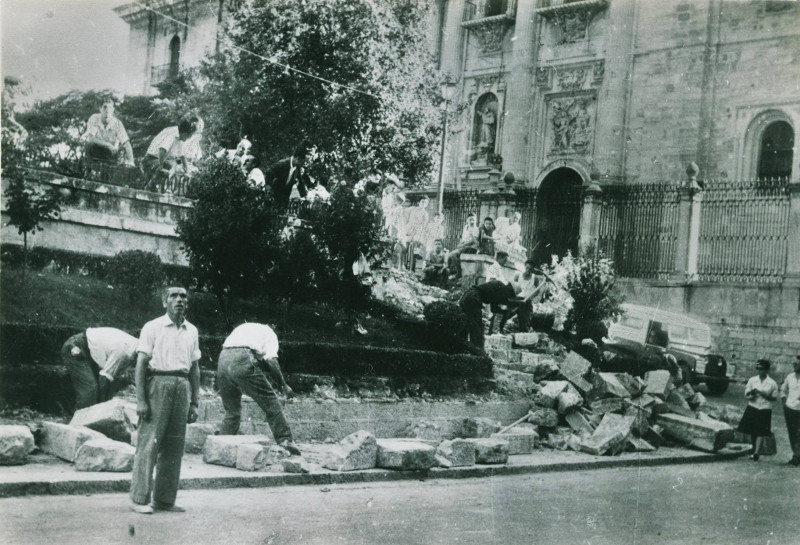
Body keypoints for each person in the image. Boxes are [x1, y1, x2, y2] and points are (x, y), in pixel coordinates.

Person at [130, 285, 200, 514]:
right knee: (149, 443)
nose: (179, 300)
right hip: (158, 384)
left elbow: (195, 367)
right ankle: (139, 499)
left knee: (174, 446)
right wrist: (141, 400)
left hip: (183, 386)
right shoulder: (153, 327)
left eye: (183, 296)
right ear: (164, 302)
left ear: (187, 302)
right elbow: (141, 363)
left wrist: (194, 402)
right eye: (174, 296)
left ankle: (164, 499)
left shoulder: (192, 331)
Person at [216, 323, 301, 455]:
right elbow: (271, 361)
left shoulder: (246, 327)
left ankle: (219, 448)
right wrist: (283, 385)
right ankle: (285, 440)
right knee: (271, 402)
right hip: (242, 358)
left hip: (223, 359)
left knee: (232, 411)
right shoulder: (270, 334)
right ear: (274, 327)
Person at [60, 328, 138, 410]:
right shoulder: (124, 352)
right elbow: (104, 378)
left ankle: (89, 416)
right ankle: (81, 420)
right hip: (76, 347)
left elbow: (112, 379)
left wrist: (107, 402)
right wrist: (103, 407)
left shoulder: (136, 346)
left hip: (91, 352)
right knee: (90, 390)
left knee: (101, 394)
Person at [142, 117, 199, 192]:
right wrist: (161, 166)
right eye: (189, 136)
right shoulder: (172, 135)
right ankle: (150, 188)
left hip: (155, 159)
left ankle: (158, 188)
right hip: (150, 160)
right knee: (168, 166)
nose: (188, 139)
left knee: (175, 166)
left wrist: (186, 171)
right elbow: (162, 149)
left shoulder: (178, 136)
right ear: (185, 133)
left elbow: (181, 156)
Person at [737, 359, 779, 461]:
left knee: (760, 431)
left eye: (761, 369)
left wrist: (763, 394)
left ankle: (756, 452)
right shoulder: (752, 380)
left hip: (764, 408)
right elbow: (746, 393)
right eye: (758, 368)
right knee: (752, 430)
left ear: (767, 370)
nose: (759, 371)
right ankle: (753, 448)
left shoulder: (772, 383)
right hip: (753, 406)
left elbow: (774, 398)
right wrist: (752, 394)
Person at [459, 279, 516, 350]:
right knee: (476, 328)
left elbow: (493, 308)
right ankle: (478, 352)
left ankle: (462, 350)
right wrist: (508, 309)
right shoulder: (503, 290)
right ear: (510, 290)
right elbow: (497, 309)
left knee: (464, 325)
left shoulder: (498, 285)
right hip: (473, 297)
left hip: (466, 296)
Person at [81, 99, 135, 166]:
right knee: (89, 144)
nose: (107, 110)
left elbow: (126, 143)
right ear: (100, 109)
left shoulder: (117, 123)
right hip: (95, 149)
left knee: (116, 163)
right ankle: (87, 169)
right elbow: (91, 138)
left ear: (113, 110)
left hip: (111, 153)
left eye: (110, 107)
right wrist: (108, 145)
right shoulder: (94, 118)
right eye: (105, 107)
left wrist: (131, 161)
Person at [262, 140, 313, 207]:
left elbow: (300, 183)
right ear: (297, 159)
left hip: (284, 199)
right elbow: (269, 173)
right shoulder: (282, 163)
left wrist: (305, 197)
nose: (302, 165)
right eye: (302, 163)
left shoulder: (297, 168)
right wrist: (268, 187)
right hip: (274, 195)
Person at [780, 355, 800, 466]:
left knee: (799, 433)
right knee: (792, 433)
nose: (794, 365)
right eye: (793, 363)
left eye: (796, 364)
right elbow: (783, 389)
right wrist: (784, 402)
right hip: (790, 409)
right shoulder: (790, 377)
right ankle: (796, 454)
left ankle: (797, 456)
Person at [447, 213, 480, 278]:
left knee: (453, 255)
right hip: (465, 246)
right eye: (470, 219)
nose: (472, 221)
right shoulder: (465, 227)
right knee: (449, 256)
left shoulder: (476, 229)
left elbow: (472, 241)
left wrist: (462, 245)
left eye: (473, 220)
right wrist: (460, 244)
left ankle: (459, 272)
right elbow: (463, 239)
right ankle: (451, 271)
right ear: (467, 220)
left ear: (476, 220)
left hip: (471, 247)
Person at [1, 76, 28, 144]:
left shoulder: (6, 96)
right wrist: (20, 128)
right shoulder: (5, 97)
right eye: (17, 88)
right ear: (10, 86)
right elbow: (6, 117)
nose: (17, 91)